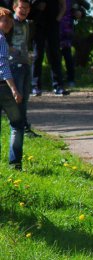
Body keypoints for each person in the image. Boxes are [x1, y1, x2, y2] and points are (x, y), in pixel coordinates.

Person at [0, 7, 24, 169]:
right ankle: (15, 164)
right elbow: (2, 66)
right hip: (3, 88)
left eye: (10, 20)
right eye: (5, 20)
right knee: (17, 123)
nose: (9, 24)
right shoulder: (1, 39)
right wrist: (14, 89)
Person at [9, 0, 36, 137]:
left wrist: (28, 54)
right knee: (17, 98)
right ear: (14, 8)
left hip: (25, 64)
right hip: (14, 65)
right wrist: (16, 52)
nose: (24, 10)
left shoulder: (27, 24)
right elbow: (4, 43)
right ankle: (17, 127)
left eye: (26, 8)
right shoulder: (9, 23)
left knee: (25, 98)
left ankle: (24, 127)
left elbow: (25, 43)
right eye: (21, 7)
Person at [29, 0, 68, 96]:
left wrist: (57, 19)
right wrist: (37, 7)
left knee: (55, 54)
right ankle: (35, 86)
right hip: (38, 24)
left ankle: (58, 86)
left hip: (53, 24)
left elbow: (63, 5)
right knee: (38, 55)